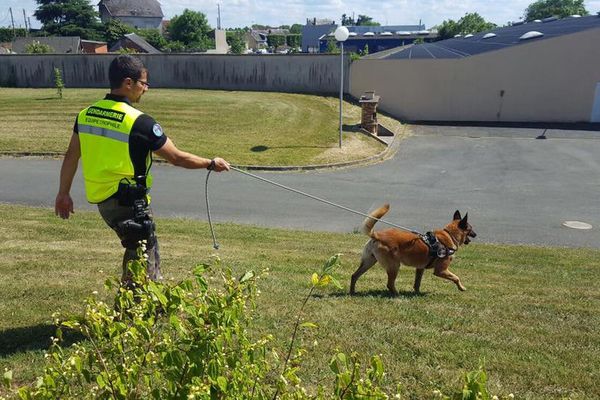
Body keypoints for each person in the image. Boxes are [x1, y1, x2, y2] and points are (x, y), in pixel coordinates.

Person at [54, 55, 230, 285]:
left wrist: (63, 193)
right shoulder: (140, 122)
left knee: (141, 249)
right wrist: (210, 162)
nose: (146, 89)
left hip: (102, 200)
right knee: (141, 255)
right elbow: (177, 157)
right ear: (128, 83)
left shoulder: (87, 114)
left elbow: (71, 156)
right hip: (127, 203)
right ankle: (132, 312)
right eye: (143, 83)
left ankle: (150, 304)